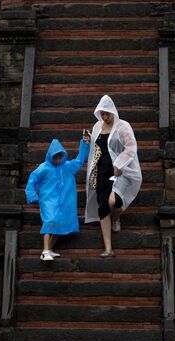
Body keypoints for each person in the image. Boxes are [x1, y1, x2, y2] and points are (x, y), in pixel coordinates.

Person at [85, 95, 142, 257]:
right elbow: (96, 148)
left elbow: (130, 147)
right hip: (101, 172)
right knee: (103, 207)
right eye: (102, 114)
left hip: (119, 172)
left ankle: (116, 218)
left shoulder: (123, 126)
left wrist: (119, 164)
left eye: (107, 114)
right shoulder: (97, 126)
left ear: (113, 112)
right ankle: (108, 249)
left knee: (114, 201)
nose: (104, 117)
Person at [25, 136, 90, 261]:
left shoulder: (67, 166)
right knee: (49, 221)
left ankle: (48, 249)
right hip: (48, 200)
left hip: (63, 201)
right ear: (50, 156)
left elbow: (79, 160)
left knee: (59, 223)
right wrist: (32, 195)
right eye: (56, 157)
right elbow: (32, 179)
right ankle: (45, 251)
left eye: (60, 157)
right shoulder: (44, 168)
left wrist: (85, 144)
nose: (58, 160)